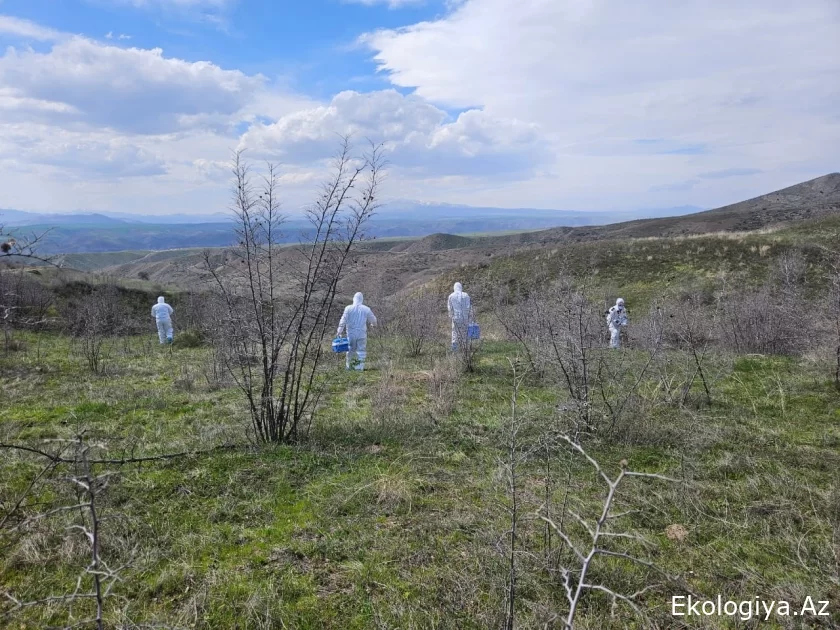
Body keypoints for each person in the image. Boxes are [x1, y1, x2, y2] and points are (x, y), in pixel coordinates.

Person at [337, 292, 377, 371]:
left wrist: (339, 330)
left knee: (350, 350)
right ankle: (359, 368)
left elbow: (343, 320)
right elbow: (374, 320)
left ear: (354, 299)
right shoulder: (366, 309)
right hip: (361, 333)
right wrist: (373, 325)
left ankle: (349, 367)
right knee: (361, 350)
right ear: (362, 299)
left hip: (351, 334)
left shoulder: (348, 308)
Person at [447, 282, 472, 351]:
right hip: (465, 317)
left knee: (455, 332)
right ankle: (465, 349)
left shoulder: (451, 296)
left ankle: (455, 349)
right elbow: (469, 307)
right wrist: (470, 316)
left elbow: (450, 308)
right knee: (465, 332)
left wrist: (451, 316)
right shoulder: (466, 295)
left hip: (456, 318)